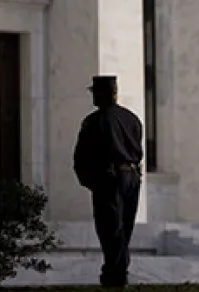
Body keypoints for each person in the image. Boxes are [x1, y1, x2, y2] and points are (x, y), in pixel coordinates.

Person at [73, 75, 144, 288]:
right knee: (124, 228)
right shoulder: (131, 118)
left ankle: (115, 274)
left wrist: (89, 179)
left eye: (95, 93)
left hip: (110, 178)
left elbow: (83, 154)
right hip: (132, 177)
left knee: (110, 228)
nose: (93, 97)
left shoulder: (95, 121)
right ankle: (117, 271)